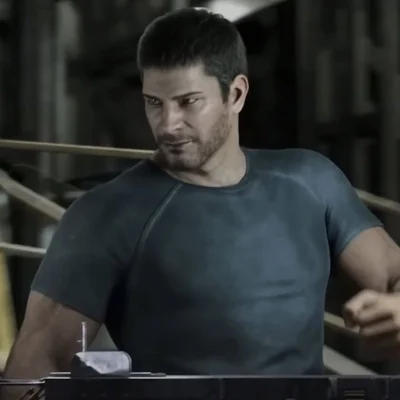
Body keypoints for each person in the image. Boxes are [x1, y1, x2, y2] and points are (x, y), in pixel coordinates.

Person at [3, 6, 400, 391]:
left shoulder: (311, 181)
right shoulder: (105, 214)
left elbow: (392, 272)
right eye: (154, 103)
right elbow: (31, 374)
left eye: (188, 101)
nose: (168, 125)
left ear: (236, 94)